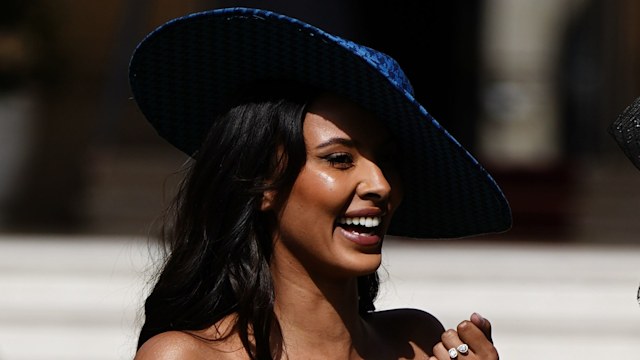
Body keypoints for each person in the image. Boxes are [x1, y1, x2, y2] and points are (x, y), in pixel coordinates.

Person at [128, 7, 511, 360]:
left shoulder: (417, 340)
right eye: (340, 159)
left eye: (388, 161)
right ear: (263, 182)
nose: (380, 184)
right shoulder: (185, 356)